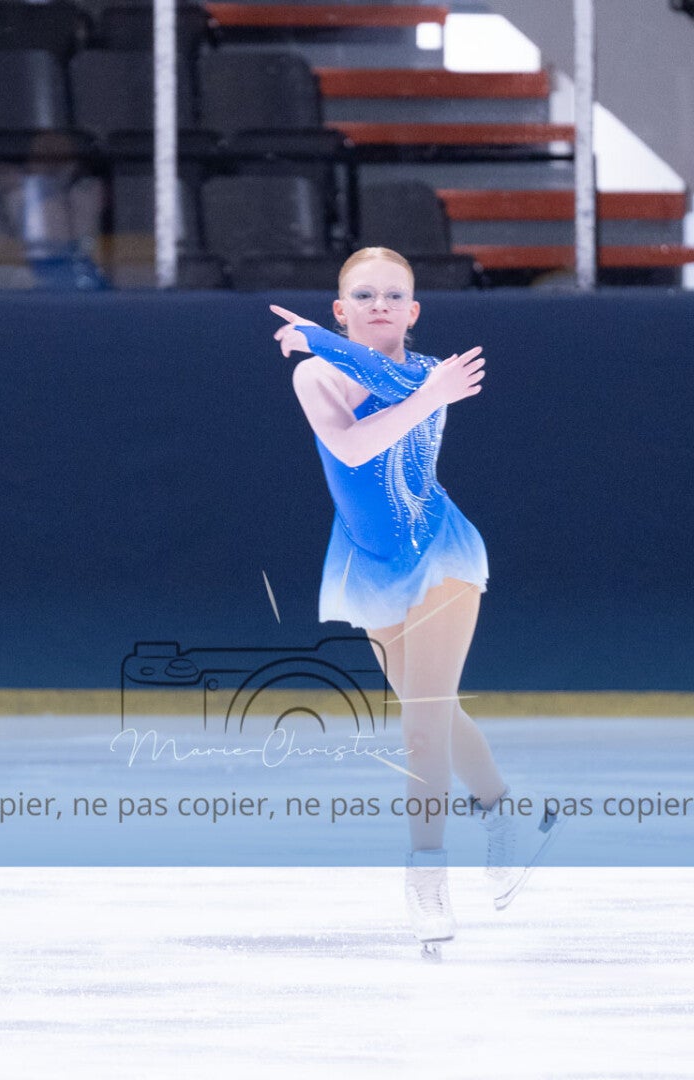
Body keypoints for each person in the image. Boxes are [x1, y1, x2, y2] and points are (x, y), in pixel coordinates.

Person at [272, 247, 532, 957]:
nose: (379, 305)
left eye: (393, 295)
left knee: (421, 721)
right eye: (364, 295)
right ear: (341, 308)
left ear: (413, 311)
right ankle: (504, 813)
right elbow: (353, 447)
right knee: (433, 711)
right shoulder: (315, 374)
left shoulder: (426, 372)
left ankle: (426, 874)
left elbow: (394, 388)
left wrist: (319, 336)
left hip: (440, 549)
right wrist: (319, 344)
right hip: (369, 562)